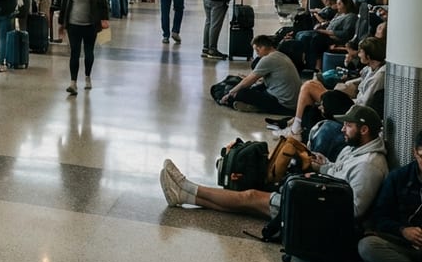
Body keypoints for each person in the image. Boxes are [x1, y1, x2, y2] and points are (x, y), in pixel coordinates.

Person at [160, 105, 388, 222]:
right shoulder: (356, 149)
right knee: (248, 201)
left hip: (316, 208)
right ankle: (185, 197)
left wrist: (314, 187)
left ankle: (187, 186)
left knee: (250, 197)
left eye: (347, 126)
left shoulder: (369, 166)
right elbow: (337, 172)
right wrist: (320, 165)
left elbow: (354, 210)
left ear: (364, 130)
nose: (342, 129)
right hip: (318, 192)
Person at [273, 36, 386, 141]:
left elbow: (365, 103)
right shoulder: (370, 68)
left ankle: (295, 129)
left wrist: (343, 97)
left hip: (354, 110)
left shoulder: (379, 76)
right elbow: (356, 82)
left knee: (308, 87)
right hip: (353, 103)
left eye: (361, 52)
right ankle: (296, 124)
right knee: (313, 84)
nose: (359, 54)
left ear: (369, 56)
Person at [355, 129, 422, 262]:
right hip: (403, 245)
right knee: (367, 246)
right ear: (415, 152)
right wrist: (403, 230)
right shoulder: (398, 178)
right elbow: (379, 217)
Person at [56, 0, 109, 95]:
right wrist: (61, 23)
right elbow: (64, 5)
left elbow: (103, 2)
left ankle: (87, 77)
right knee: (74, 52)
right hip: (73, 24)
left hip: (90, 24)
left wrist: (104, 19)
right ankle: (73, 82)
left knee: (88, 52)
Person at [218, 34, 301, 114]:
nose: (257, 53)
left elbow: (249, 80)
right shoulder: (280, 55)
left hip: (282, 104)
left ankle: (256, 108)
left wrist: (230, 93)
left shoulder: (268, 59)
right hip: (292, 102)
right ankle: (253, 105)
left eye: (257, 50)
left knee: (241, 93)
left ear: (263, 47)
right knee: (251, 88)